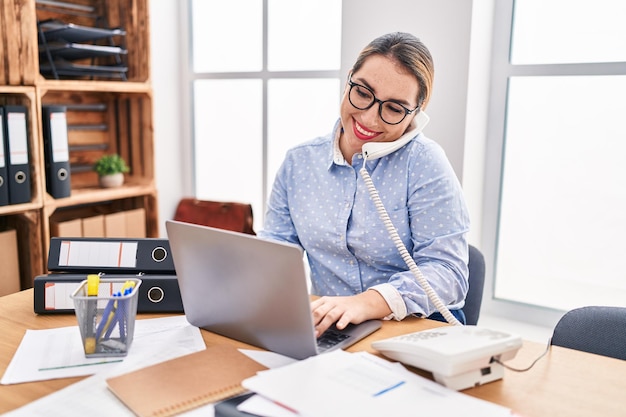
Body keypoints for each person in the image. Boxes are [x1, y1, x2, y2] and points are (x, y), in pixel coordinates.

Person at [258, 32, 470, 338]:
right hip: (331, 329)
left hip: (416, 329)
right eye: (362, 92)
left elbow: (448, 273)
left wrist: (369, 302)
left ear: (415, 117)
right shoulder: (298, 163)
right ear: (348, 81)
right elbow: (278, 250)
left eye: (394, 109)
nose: (369, 118)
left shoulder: (425, 163)